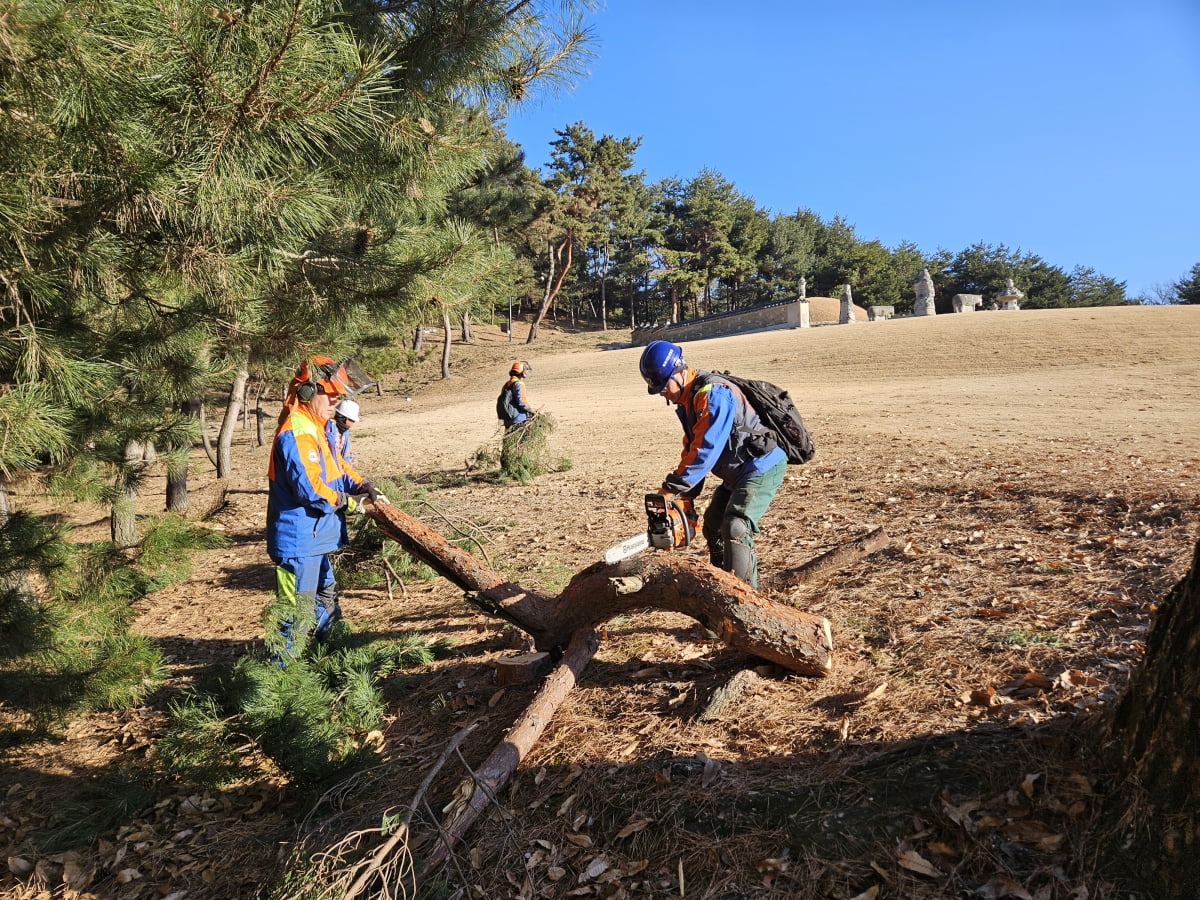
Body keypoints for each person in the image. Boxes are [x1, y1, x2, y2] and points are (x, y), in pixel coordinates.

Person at [638, 340, 788, 589]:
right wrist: (686, 495)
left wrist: (672, 488)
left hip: (761, 466)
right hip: (738, 472)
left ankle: (743, 598)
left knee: (735, 525)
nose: (662, 393)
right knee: (713, 525)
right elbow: (692, 449)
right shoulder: (689, 401)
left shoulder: (712, 394)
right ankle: (721, 584)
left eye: (664, 387)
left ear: (679, 372)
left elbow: (706, 449)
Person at [266, 355, 380, 659]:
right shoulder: (297, 432)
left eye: (337, 394)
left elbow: (337, 467)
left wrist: (361, 484)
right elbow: (311, 489)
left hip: (315, 538)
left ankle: (331, 655)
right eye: (328, 393)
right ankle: (281, 679)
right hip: (298, 541)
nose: (336, 400)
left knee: (326, 598)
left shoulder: (318, 427)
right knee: (295, 615)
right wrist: (349, 502)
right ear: (307, 394)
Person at [496, 360, 533, 428]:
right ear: (522, 372)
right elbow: (521, 401)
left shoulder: (507, 384)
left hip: (507, 419)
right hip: (518, 418)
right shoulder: (519, 384)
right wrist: (531, 410)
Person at [333, 398, 359, 462]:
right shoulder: (328, 431)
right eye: (353, 420)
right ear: (346, 419)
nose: (353, 423)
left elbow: (346, 455)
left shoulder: (345, 433)